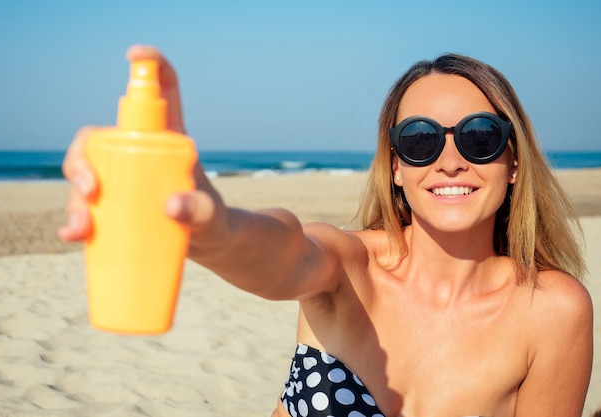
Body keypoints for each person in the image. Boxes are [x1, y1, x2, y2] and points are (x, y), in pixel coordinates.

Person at [59, 45, 594, 417]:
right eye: (420, 139)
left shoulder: (551, 311)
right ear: (395, 167)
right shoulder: (348, 268)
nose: (449, 161)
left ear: (514, 161)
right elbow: (285, 250)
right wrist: (211, 225)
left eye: (478, 136)